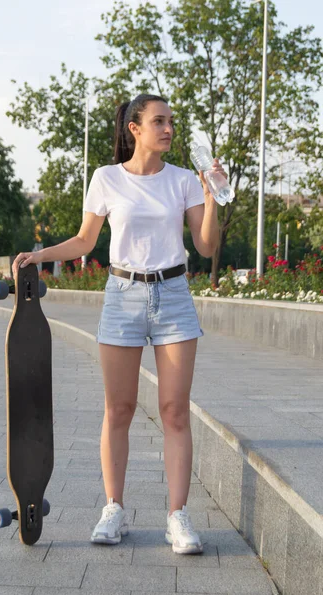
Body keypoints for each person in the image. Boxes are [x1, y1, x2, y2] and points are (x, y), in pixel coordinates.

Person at [12, 94, 225, 554]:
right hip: (123, 295)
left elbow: (205, 248)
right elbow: (85, 239)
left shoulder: (185, 180)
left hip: (173, 296)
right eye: (159, 121)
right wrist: (40, 255)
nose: (169, 129)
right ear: (134, 128)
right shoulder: (107, 178)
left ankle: (178, 517)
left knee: (174, 410)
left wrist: (213, 197)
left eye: (171, 122)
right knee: (120, 409)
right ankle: (114, 508)